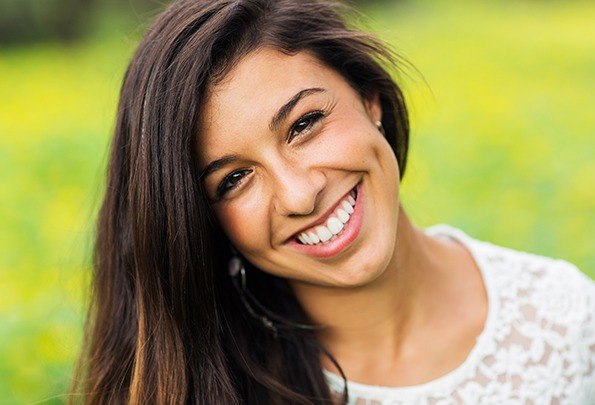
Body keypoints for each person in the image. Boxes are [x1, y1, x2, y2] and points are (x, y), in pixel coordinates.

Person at [72, 0, 595, 403]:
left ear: (371, 99)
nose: (300, 194)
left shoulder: (567, 323)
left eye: (303, 125)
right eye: (233, 180)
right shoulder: (199, 384)